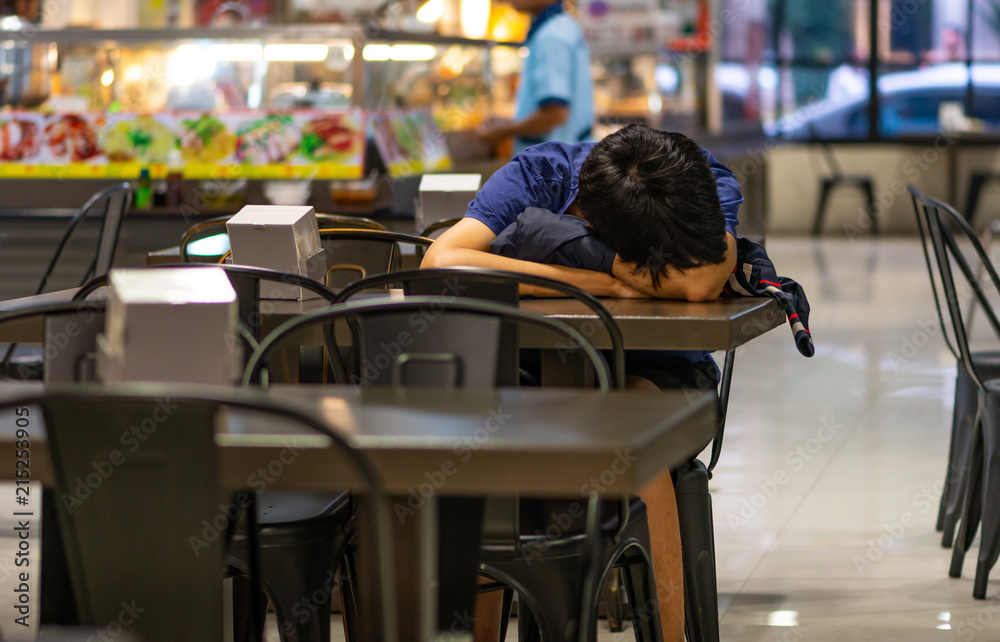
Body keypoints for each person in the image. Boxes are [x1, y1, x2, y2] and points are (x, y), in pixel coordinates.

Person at [422, 123, 742, 640]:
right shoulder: (540, 174)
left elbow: (704, 282)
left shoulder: (698, 181)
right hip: (537, 376)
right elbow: (442, 261)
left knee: (633, 430)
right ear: (589, 220)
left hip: (665, 376)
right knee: (482, 451)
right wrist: (604, 277)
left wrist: (545, 257)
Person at [477, 0, 595, 155]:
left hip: (556, 166)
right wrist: (512, 124)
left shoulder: (551, 38)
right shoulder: (563, 25)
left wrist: (505, 130)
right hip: (570, 156)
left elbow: (555, 114)